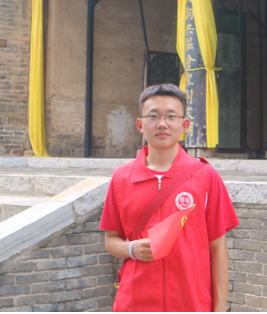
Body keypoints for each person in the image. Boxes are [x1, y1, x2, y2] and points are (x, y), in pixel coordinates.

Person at [100, 83, 240, 312]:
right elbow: (111, 239)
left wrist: (219, 309)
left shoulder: (206, 177)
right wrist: (132, 249)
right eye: (153, 116)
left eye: (171, 116)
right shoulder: (121, 178)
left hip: (191, 303)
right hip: (135, 303)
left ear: (184, 125)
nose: (162, 124)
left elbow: (218, 250)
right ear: (140, 124)